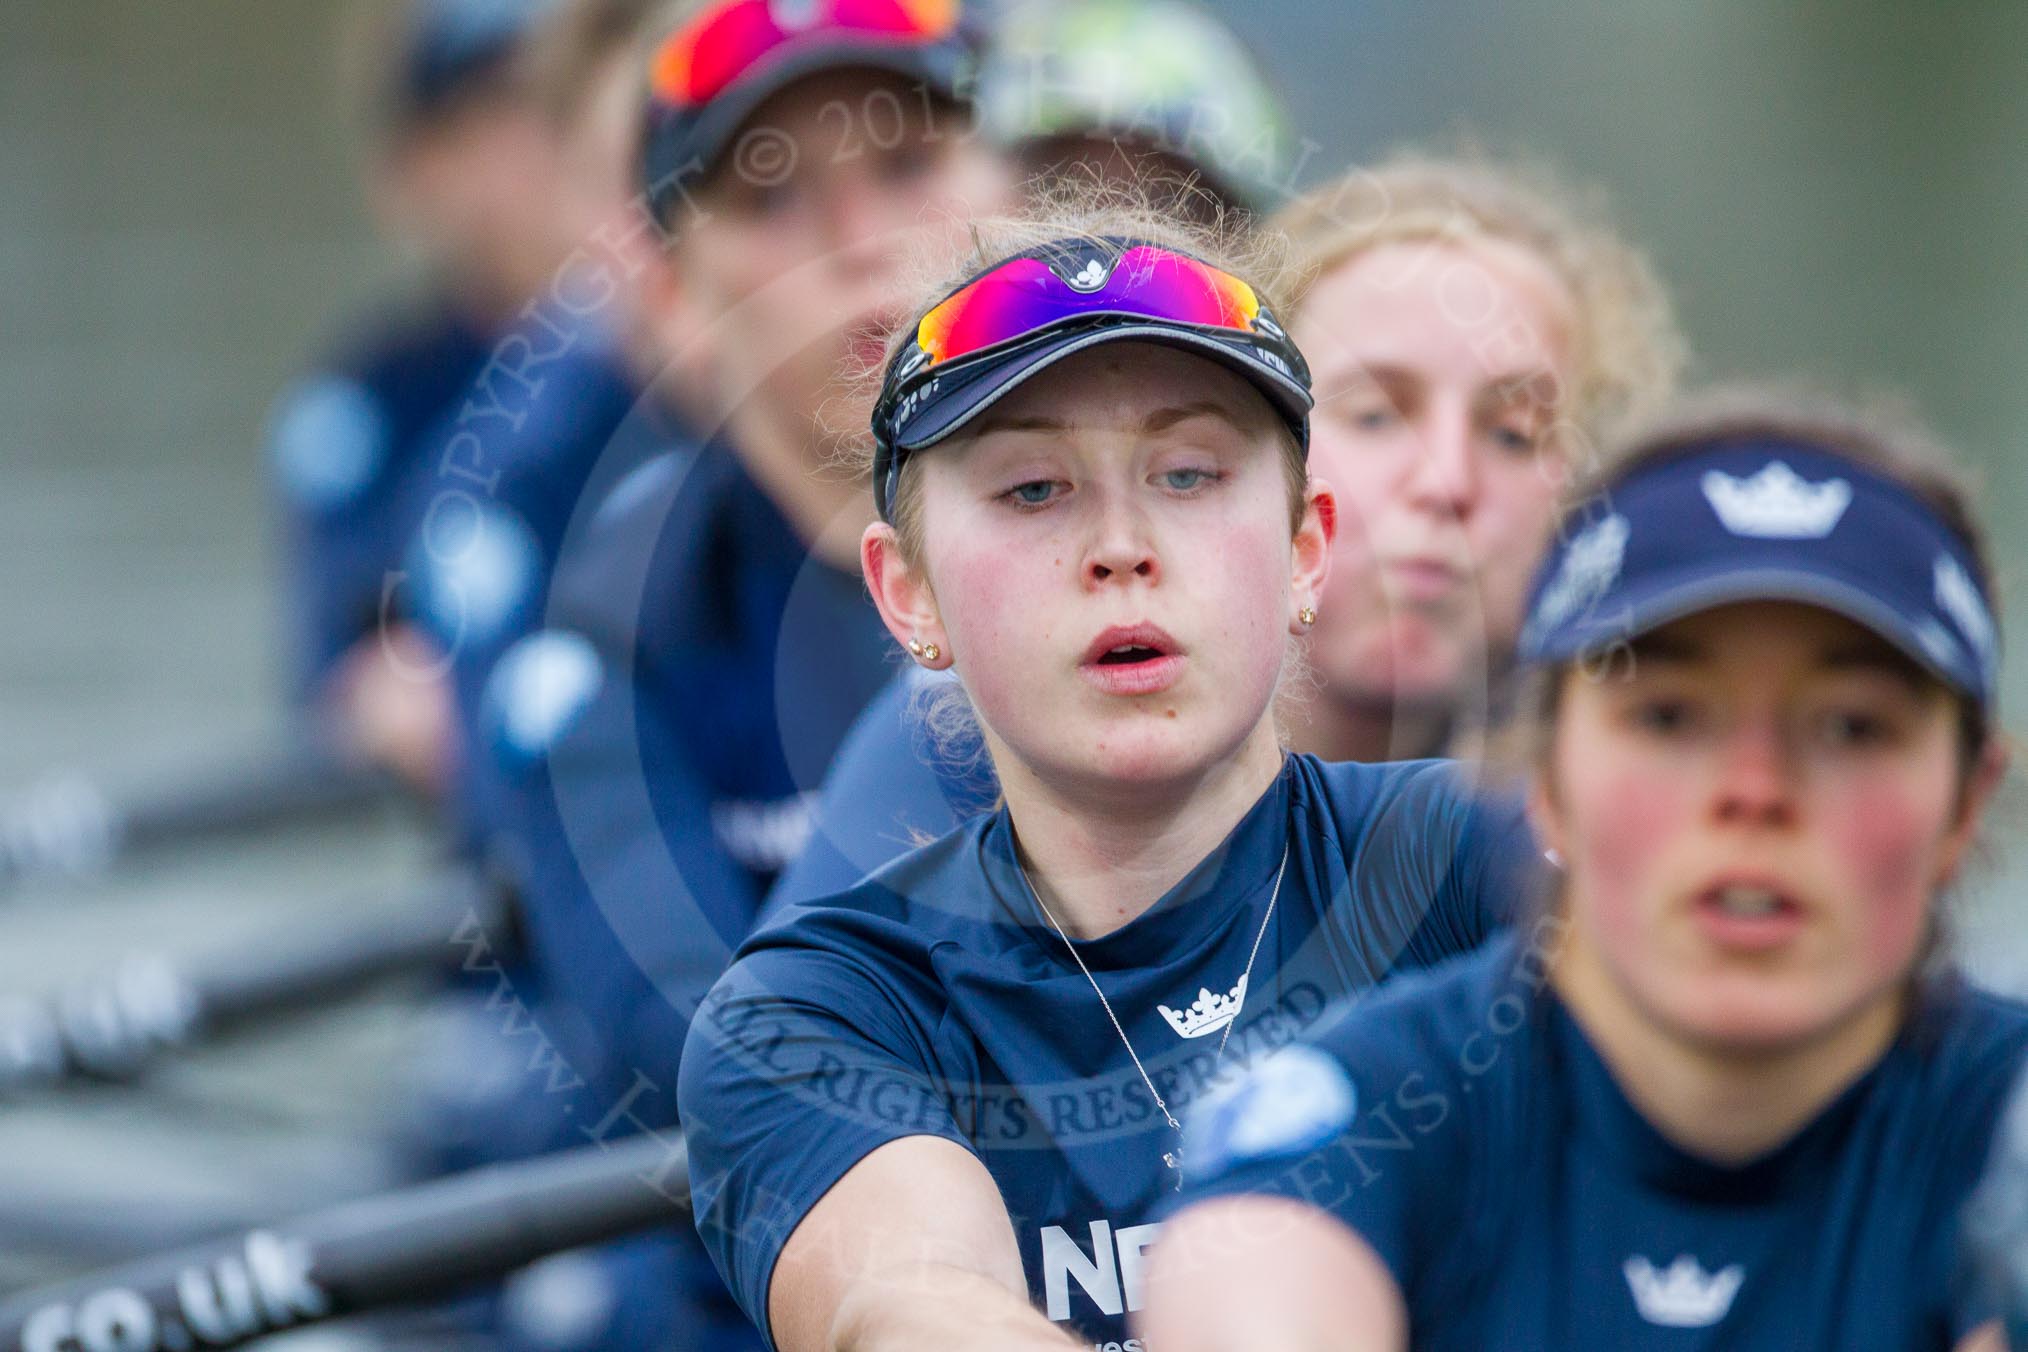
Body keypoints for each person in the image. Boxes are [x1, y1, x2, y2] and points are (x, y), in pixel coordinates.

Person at [677, 195, 1544, 1352]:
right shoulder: (815, 1015)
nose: (1122, 545)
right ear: (909, 595)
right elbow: (908, 1304)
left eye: (1188, 473)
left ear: (1304, 552)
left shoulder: (1496, 860)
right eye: (1033, 488)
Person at [1144, 390, 2025, 1351]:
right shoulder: (1351, 1125)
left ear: (1966, 799)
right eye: (1669, 716)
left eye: (1853, 726)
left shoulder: (2001, 1127)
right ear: (1541, 775)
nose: (1755, 790)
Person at [420, 2, 1017, 1346]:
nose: (861, 241)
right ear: (672, 295)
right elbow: (717, 1060)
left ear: (1010, 200)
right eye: (772, 197)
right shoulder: (596, 647)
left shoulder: (1168, 529)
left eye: (909, 169)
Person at [768, 151, 1683, 908]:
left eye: (1514, 433)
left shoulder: (1624, 771)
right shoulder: (978, 731)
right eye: (1374, 414)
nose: (1446, 480)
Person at [267, 0, 578, 794]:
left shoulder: (701, 362)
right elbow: (359, 669)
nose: (547, 147)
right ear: (411, 170)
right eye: (503, 111)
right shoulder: (362, 406)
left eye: (565, 101)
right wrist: (388, 684)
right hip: (515, 805)